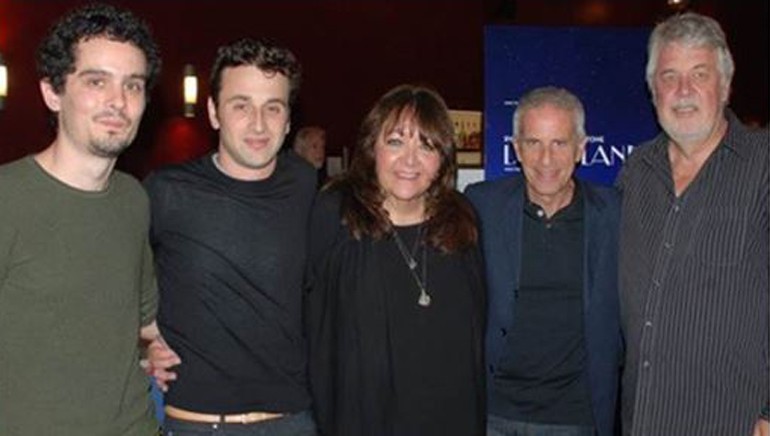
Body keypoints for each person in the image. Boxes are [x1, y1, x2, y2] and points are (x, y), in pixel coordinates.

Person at [0, 3, 162, 434]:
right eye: (96, 81)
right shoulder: (7, 200)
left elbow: (143, 322)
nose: (118, 101)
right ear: (53, 92)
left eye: (133, 85)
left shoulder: (133, 198)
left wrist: (153, 352)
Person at [143, 38, 317, 435]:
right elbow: (106, 274)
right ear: (213, 112)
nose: (258, 124)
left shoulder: (304, 183)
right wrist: (143, 338)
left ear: (288, 119)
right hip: (199, 424)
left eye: (273, 108)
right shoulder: (168, 190)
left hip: (293, 421)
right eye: (241, 106)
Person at [617, 12, 768, 436]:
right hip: (643, 420)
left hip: (734, 422)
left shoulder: (764, 166)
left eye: (699, 74)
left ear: (725, 85)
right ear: (652, 90)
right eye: (669, 76)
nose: (683, 91)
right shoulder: (635, 172)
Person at [306, 84, 486, 436]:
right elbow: (307, 324)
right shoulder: (335, 216)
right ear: (372, 147)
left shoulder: (462, 221)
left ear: (444, 158)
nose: (410, 159)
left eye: (426, 145)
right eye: (396, 141)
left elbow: (474, 343)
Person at [465, 86, 621, 436]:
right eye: (534, 143)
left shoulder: (615, 213)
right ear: (516, 148)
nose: (546, 159)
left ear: (581, 148)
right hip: (493, 412)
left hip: (577, 417)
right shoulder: (480, 206)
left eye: (559, 143)